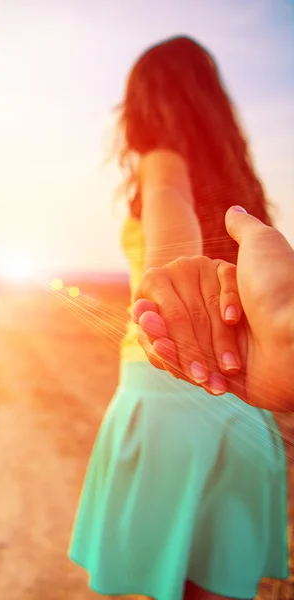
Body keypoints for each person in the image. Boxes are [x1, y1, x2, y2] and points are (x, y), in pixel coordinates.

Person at [69, 36, 288, 600]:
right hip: (245, 404)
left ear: (143, 101)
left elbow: (168, 200)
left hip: (169, 394)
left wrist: (170, 279)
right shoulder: (241, 191)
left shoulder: (160, 157)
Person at [133, 206, 294, 411]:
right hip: (245, 393)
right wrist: (285, 339)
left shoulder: (163, 173)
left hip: (161, 395)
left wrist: (170, 298)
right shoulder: (239, 183)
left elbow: (167, 191)